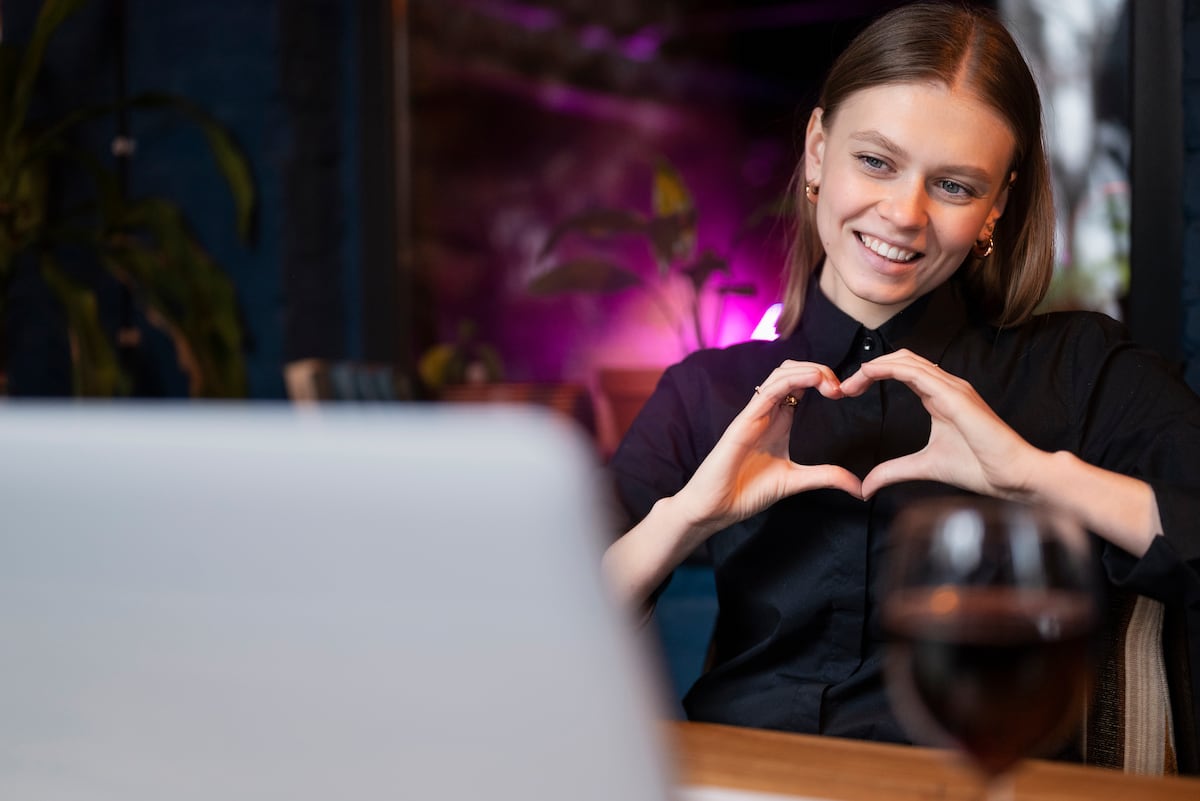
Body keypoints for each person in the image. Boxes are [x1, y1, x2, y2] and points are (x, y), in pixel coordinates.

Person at [602, 0, 1200, 760]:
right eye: (876, 161)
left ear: (997, 206)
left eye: (953, 185)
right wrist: (686, 516)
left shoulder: (1081, 370)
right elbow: (539, 633)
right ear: (818, 150)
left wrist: (1036, 476)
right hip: (739, 776)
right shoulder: (706, 391)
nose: (904, 213)